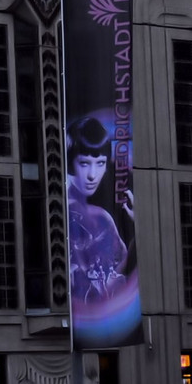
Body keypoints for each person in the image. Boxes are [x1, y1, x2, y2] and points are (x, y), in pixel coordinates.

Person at [66, 118, 130, 302]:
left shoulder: (102, 217)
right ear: (70, 163)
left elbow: (122, 259)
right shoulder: (69, 209)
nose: (92, 175)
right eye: (84, 163)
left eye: (100, 163)